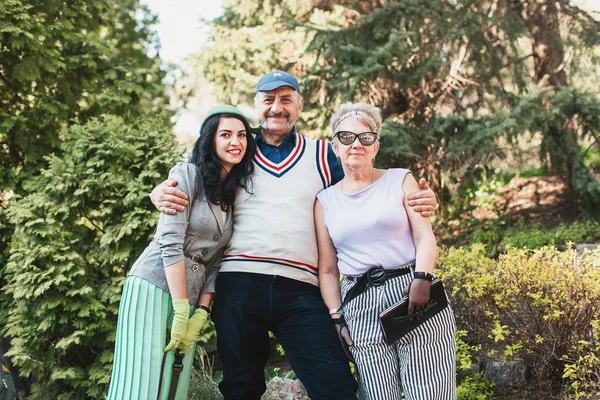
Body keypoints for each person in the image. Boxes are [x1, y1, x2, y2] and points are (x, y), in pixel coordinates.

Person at [150, 71, 438, 399]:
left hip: (300, 289)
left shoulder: (323, 154)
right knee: (240, 387)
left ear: (299, 106)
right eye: (268, 100)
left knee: (336, 386)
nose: (277, 107)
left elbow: (368, 181)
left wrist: (420, 196)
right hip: (239, 283)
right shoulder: (238, 150)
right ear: (256, 106)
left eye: (286, 99)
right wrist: (158, 193)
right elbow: (193, 177)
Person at [106, 105, 256, 400]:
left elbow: (215, 262)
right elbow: (170, 241)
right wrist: (180, 308)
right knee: (139, 384)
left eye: (241, 135)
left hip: (191, 298)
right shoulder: (187, 174)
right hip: (154, 285)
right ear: (210, 140)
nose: (235, 142)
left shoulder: (233, 194)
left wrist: (201, 311)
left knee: (172, 386)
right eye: (225, 134)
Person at [314, 102, 457, 399]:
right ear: (334, 146)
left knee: (430, 392)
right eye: (346, 137)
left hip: (413, 294)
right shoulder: (325, 201)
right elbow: (328, 269)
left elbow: (425, 236)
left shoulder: (400, 179)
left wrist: (423, 278)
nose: (356, 144)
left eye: (366, 138)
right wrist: (337, 317)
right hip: (360, 305)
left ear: (376, 146)